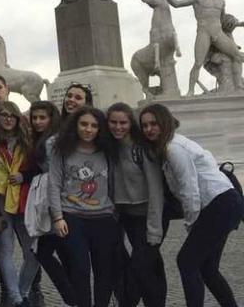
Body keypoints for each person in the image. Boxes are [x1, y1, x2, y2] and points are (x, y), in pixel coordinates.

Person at [139, 103, 243, 307]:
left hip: (220, 204)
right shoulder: (172, 144)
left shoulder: (173, 149)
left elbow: (189, 190)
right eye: (144, 126)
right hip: (225, 203)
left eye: (154, 123)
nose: (149, 129)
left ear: (165, 122)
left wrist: (192, 223)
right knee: (207, 268)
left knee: (186, 262)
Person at [50, 107, 121, 307]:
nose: (88, 129)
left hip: (104, 218)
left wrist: (115, 210)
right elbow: (54, 183)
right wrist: (57, 217)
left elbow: (115, 181)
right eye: (84, 124)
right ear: (75, 125)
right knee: (79, 269)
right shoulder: (61, 149)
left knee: (104, 271)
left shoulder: (107, 150)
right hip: (71, 217)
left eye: (94, 125)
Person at [105, 102, 166, 307]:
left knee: (140, 267)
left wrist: (155, 229)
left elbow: (156, 190)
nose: (118, 127)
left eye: (123, 122)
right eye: (113, 122)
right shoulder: (109, 148)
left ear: (131, 123)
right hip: (125, 216)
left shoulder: (142, 149)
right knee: (150, 267)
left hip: (146, 216)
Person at [0, 101, 38, 307]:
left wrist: (23, 176)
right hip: (0, 202)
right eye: (4, 115)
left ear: (17, 119)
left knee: (33, 252)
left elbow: (39, 169)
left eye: (12, 116)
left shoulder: (28, 143)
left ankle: (22, 292)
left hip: (24, 202)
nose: (8, 119)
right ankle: (16, 299)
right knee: (5, 251)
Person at [25, 101, 74, 307]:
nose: (37, 122)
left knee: (45, 253)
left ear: (51, 118)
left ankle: (74, 299)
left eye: (42, 117)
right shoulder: (46, 139)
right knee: (65, 255)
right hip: (54, 202)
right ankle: (76, 300)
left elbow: (57, 177)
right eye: (34, 118)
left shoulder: (52, 141)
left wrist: (57, 212)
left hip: (57, 204)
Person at [162, 0, 244, 95]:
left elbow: (223, 20)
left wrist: (238, 24)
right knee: (198, 63)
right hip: (203, 33)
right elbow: (177, 4)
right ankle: (190, 90)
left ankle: (239, 86)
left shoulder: (221, 1)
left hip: (218, 33)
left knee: (237, 56)